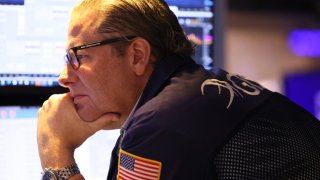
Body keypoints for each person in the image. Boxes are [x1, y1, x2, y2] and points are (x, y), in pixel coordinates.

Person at [37, 0, 320, 179]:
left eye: (80, 56)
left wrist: (57, 154)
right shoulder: (193, 95)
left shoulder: (161, 124)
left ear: (137, 55)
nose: (64, 77)